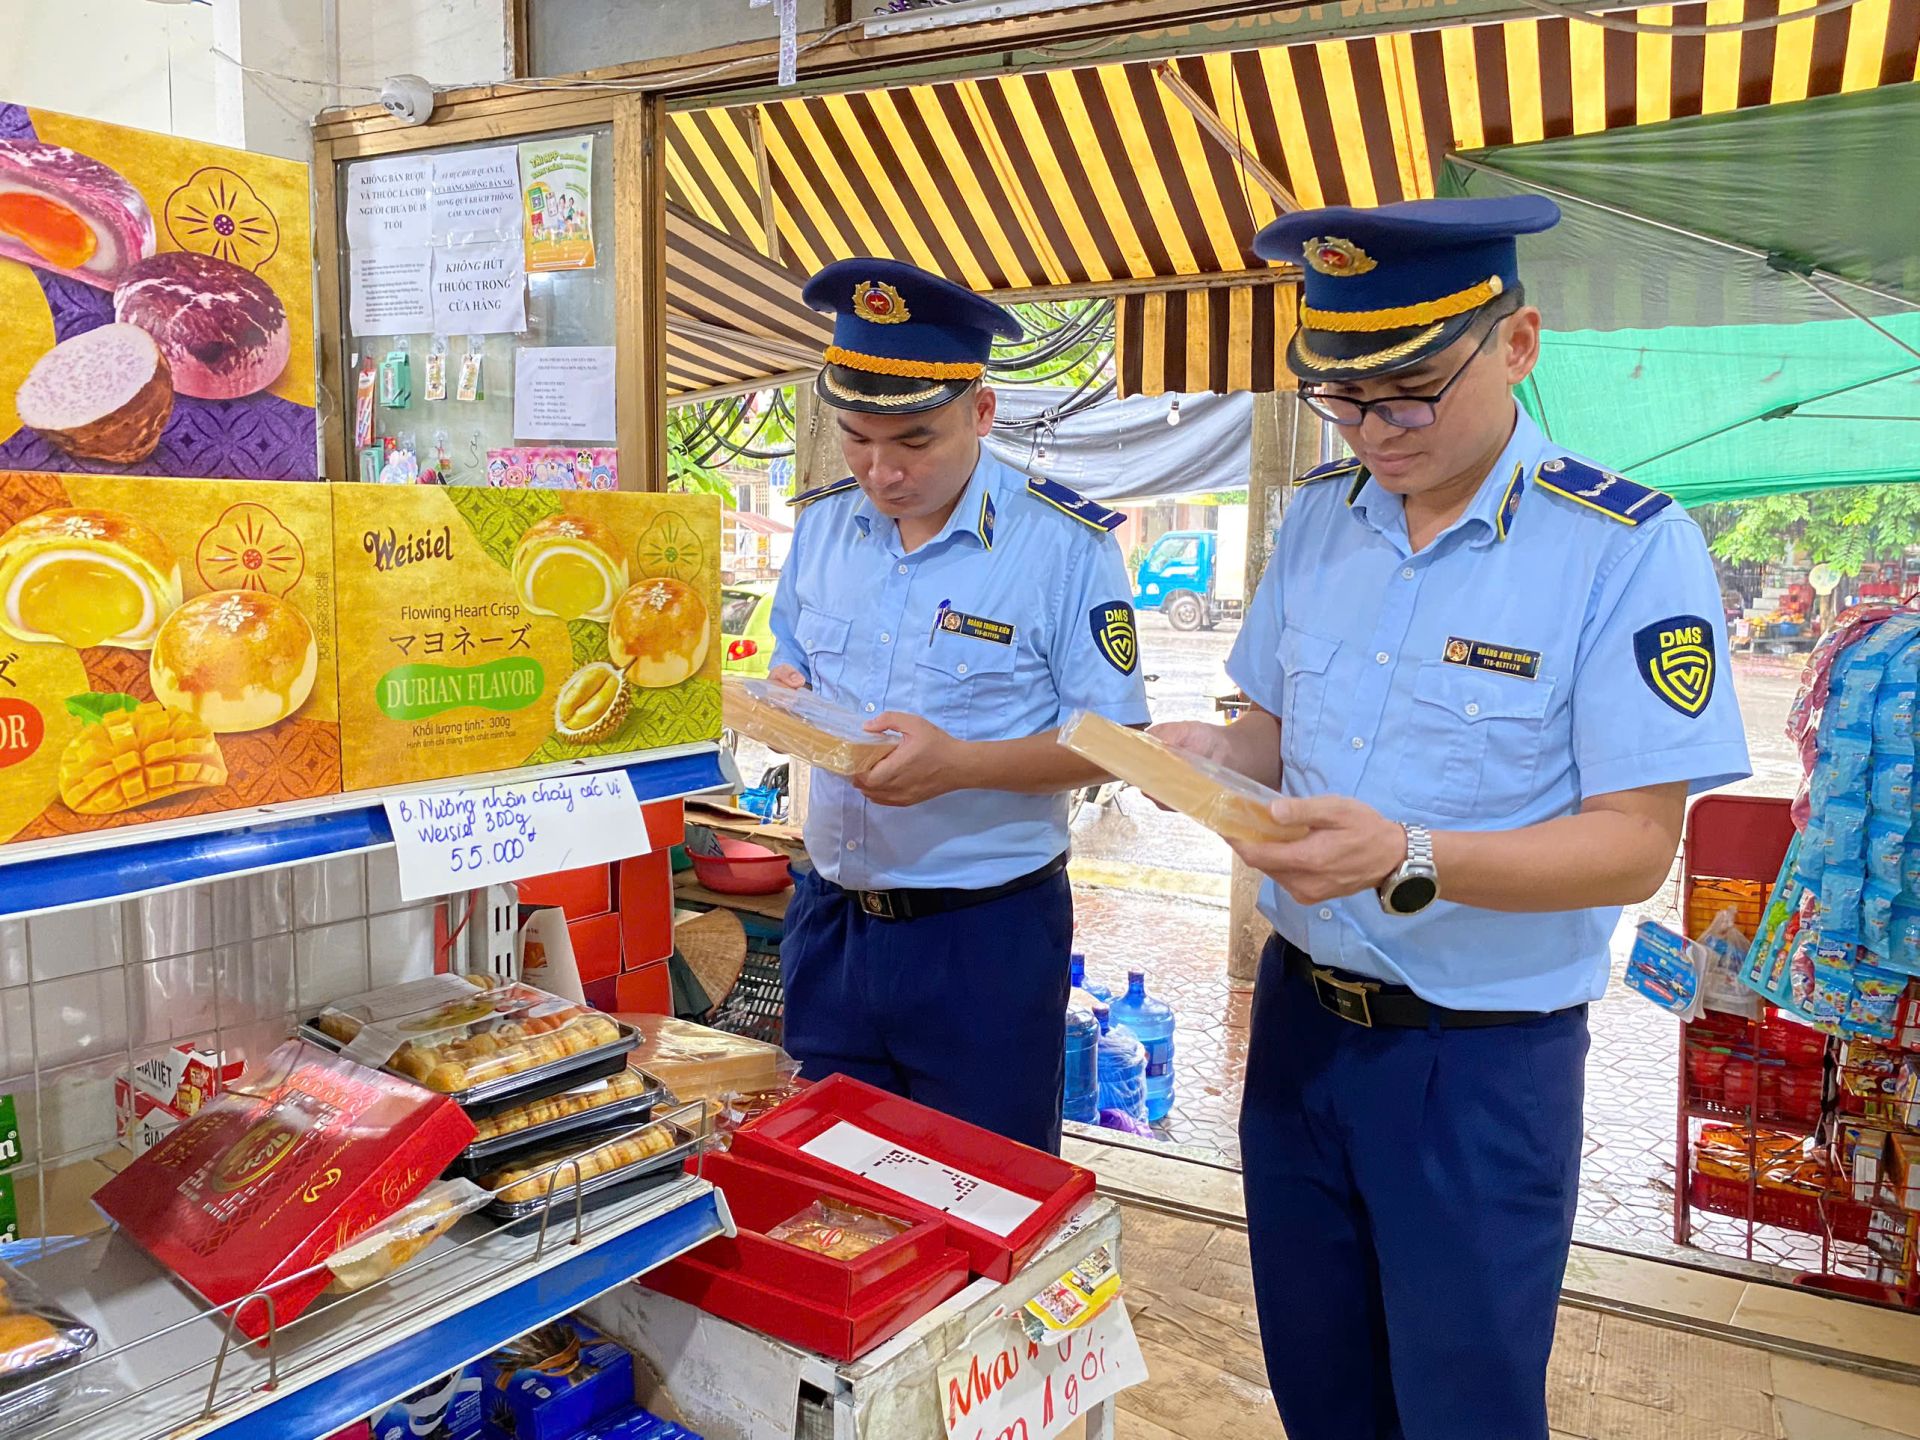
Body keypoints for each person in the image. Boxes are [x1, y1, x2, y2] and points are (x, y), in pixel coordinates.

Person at [1154, 198, 1752, 1439]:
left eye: (1412, 393)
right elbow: (1268, 731)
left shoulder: (1624, 549)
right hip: (1302, 1032)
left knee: (1464, 1405)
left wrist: (1410, 858)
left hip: (1478, 1064)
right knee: (1321, 1384)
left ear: (1518, 342)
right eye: (1343, 400)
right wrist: (1209, 757)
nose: (1376, 431)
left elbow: (1637, 848)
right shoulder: (1322, 513)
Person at [765, 258, 1149, 1153]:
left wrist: (962, 766)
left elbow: (1118, 744)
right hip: (830, 925)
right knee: (836, 1193)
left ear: (980, 410)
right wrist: (781, 702)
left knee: (989, 1194)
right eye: (858, 438)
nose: (881, 471)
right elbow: (792, 668)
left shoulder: (1062, 545)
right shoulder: (822, 527)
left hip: (983, 939)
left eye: (914, 441)